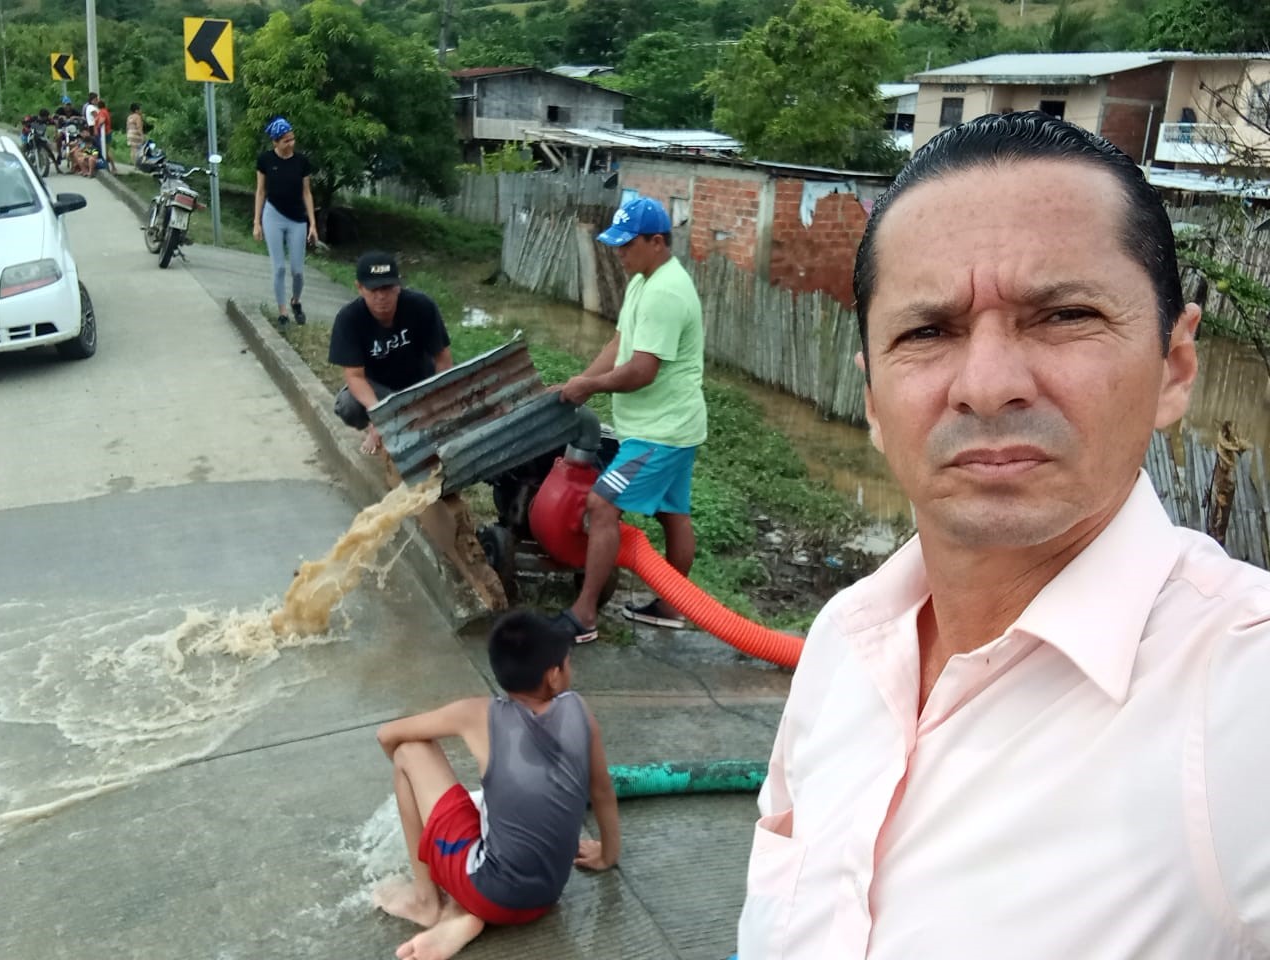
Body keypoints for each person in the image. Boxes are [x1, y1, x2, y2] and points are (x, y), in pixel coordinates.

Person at [738, 110, 1270, 958]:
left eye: (1064, 316)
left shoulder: (1239, 694)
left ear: (1175, 367)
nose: (986, 386)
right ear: (872, 398)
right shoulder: (846, 642)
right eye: (928, 332)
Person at [373, 609, 620, 959]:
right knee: (496, 810)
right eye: (568, 662)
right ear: (553, 676)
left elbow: (387, 736)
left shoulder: (477, 714)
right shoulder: (578, 710)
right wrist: (607, 855)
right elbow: (602, 791)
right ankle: (462, 912)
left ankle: (427, 902)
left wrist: (416, 793)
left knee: (408, 752)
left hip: (492, 895)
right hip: (548, 894)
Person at [552, 196, 707, 644]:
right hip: (671, 427)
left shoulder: (664, 292)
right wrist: (581, 380)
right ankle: (671, 607)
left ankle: (584, 614)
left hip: (661, 433)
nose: (619, 253)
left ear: (656, 242)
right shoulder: (644, 280)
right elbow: (620, 343)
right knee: (673, 514)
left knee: (602, 505)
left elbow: (641, 370)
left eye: (627, 244)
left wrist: (590, 388)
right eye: (616, 244)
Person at [328, 251, 453, 455]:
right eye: (373, 289)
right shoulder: (348, 319)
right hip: (379, 392)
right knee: (348, 405)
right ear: (360, 288)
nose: (381, 296)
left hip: (420, 386)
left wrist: (438, 399)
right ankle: (374, 428)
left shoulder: (422, 306)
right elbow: (354, 376)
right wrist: (379, 417)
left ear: (398, 286)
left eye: (387, 288)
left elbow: (443, 359)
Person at [253, 116, 318, 326]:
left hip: (297, 219)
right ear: (275, 142)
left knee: (297, 271)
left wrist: (312, 224)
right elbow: (260, 191)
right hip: (272, 215)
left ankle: (295, 301)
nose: (290, 144)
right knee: (279, 267)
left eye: (292, 139)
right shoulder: (265, 160)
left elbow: (307, 193)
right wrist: (257, 222)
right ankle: (283, 313)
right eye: (286, 141)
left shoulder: (302, 162)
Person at [94, 99, 117, 173]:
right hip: (106, 133)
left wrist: (98, 126)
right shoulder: (105, 111)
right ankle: (110, 167)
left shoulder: (102, 112)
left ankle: (112, 167)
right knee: (105, 151)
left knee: (105, 151)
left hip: (105, 134)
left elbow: (102, 120)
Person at [125, 103, 145, 168]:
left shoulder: (129, 117)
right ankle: (137, 165)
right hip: (136, 134)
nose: (141, 111)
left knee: (132, 149)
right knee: (138, 150)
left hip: (130, 134)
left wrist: (128, 134)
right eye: (140, 109)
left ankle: (134, 164)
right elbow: (139, 127)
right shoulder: (137, 117)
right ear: (136, 110)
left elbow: (127, 127)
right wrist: (142, 136)